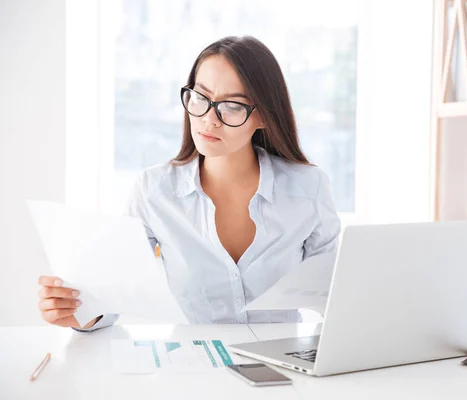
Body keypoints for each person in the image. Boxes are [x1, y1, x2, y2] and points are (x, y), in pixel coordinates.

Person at [36, 36, 341, 330]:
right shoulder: (154, 190)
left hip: (282, 371)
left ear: (264, 116)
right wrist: (77, 311)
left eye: (232, 106)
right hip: (193, 366)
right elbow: (114, 296)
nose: (209, 119)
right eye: (200, 97)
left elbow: (335, 301)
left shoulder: (309, 188)